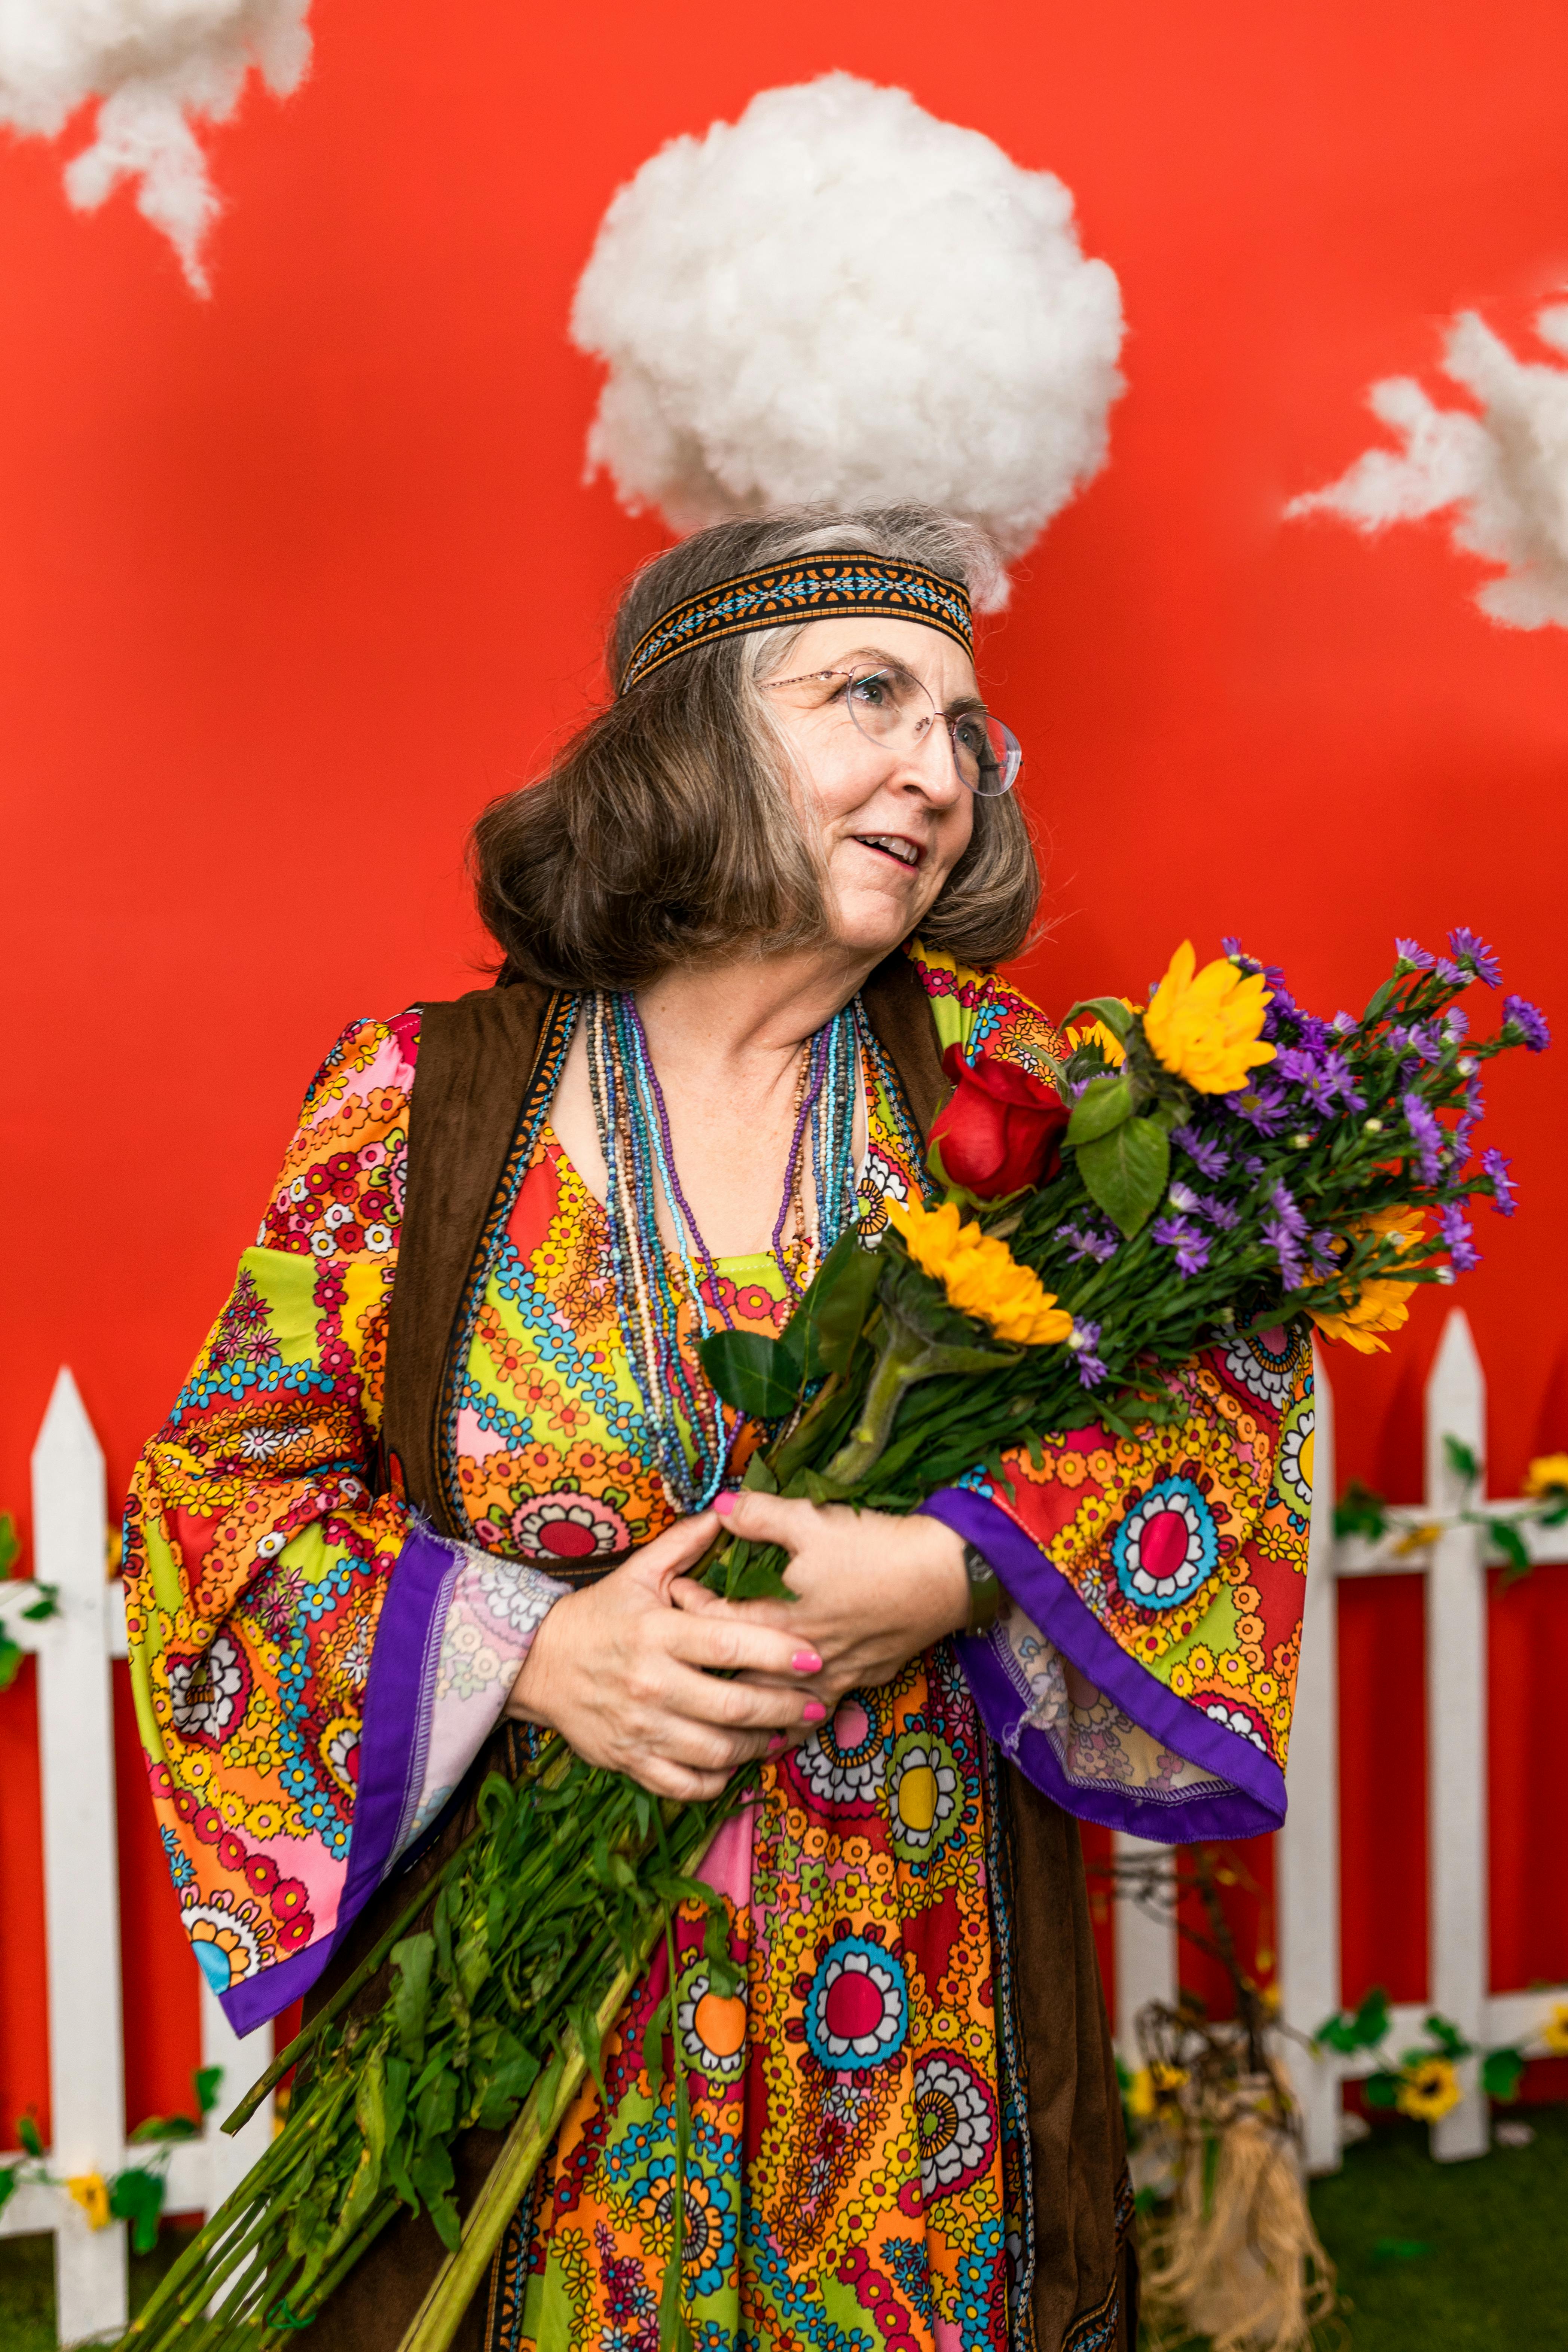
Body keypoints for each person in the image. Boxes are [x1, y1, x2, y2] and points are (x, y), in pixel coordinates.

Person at [126, 506, 1311, 2352]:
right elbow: (214, 1500)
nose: (939, 772)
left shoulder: (1036, 1098)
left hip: (926, 2063)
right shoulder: (412, 1110)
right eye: (869, 696)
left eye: (965, 731)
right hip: (518, 2051)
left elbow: (1230, 1408)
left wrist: (952, 1564)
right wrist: (534, 1650)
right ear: (693, 741)